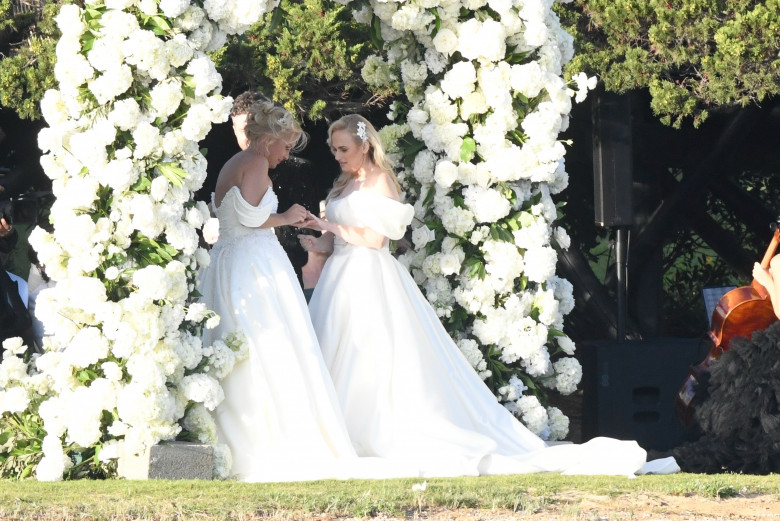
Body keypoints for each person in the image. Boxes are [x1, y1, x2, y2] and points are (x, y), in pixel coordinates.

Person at [300, 114, 679, 477]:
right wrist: (317, 238)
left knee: (375, 355)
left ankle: (376, 430)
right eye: (334, 150)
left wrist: (331, 223)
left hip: (370, 278)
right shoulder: (343, 185)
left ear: (365, 147)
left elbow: (377, 239)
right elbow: (338, 237)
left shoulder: (381, 181)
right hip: (340, 278)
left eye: (343, 149)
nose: (337, 156)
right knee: (340, 351)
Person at [197, 100, 361, 482]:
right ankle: (269, 438)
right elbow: (254, 218)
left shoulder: (234, 164)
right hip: (253, 264)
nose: (286, 153)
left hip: (233, 261)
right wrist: (288, 216)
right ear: (269, 140)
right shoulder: (253, 162)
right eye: (285, 145)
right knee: (267, 344)